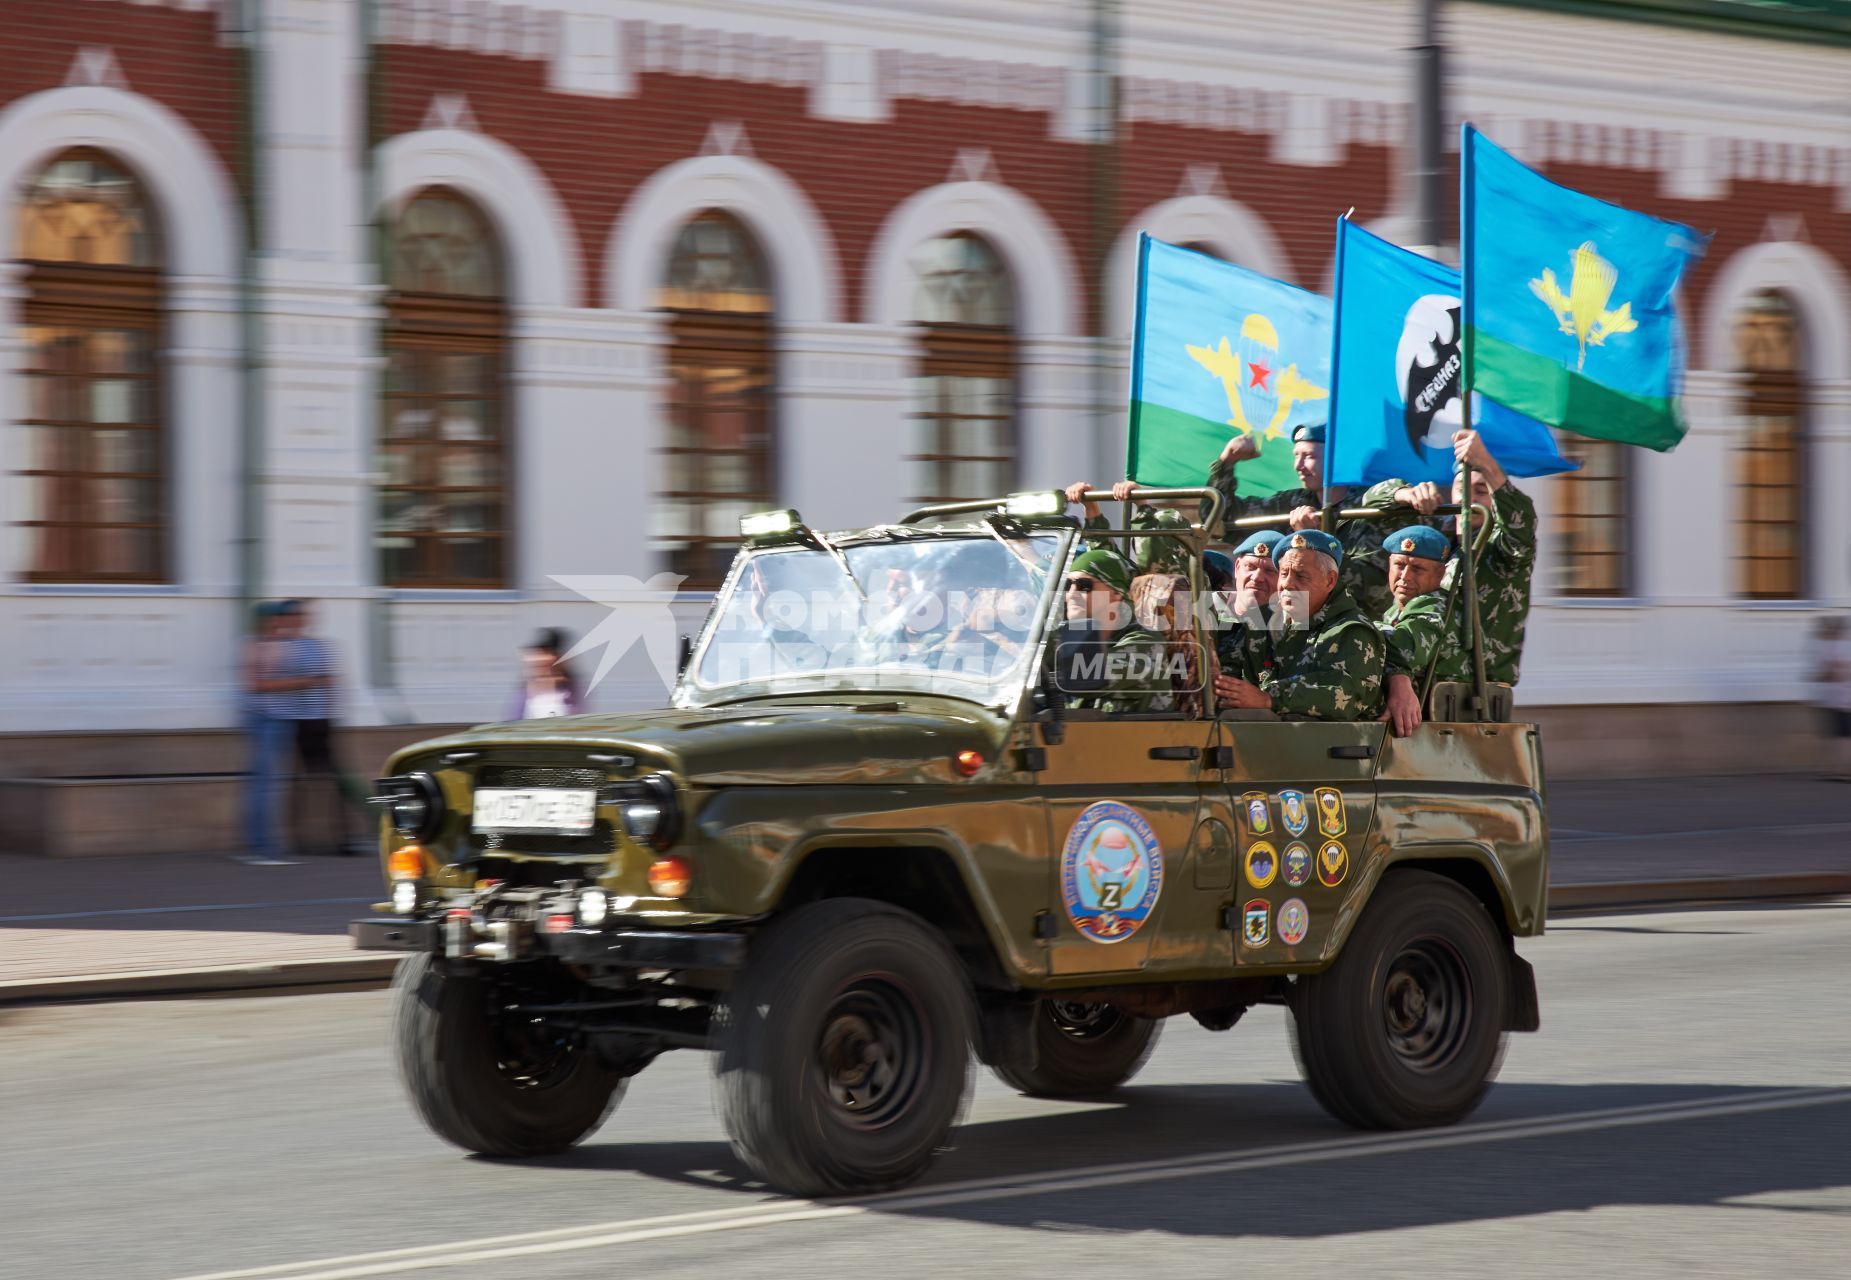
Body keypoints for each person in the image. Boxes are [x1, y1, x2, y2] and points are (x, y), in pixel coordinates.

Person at [1362, 429, 1538, 687]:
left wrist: (1487, 463)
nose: (1468, 498)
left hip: (1473, 687)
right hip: (1420, 673)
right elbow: (1370, 499)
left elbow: (1521, 520)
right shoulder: (1436, 536)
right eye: (1461, 488)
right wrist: (1407, 495)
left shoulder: (1502, 548)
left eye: (1481, 491)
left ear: (1495, 500)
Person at [1204, 423, 1404, 619]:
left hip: (1355, 627)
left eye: (1308, 456)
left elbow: (1368, 589)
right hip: (1294, 625)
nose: (1298, 465)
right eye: (1296, 456)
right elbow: (1219, 520)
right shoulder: (1293, 502)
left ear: (1336, 459)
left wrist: (1313, 544)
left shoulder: (1368, 509)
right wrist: (1226, 463)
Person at [1214, 529, 1385, 720]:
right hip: (1270, 738)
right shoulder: (1262, 621)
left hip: (1334, 744)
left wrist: (1269, 698)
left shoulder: (1351, 630)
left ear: (1330, 581)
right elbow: (1229, 669)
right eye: (1284, 573)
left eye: (1300, 576)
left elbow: (1343, 693)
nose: (1287, 584)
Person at [272, 601, 372, 856]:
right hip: (291, 722)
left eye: (302, 616)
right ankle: (297, 839)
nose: (298, 620)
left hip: (320, 721)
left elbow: (331, 681)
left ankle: (343, 837)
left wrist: (331, 709)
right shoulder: (277, 647)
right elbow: (280, 682)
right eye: (293, 616)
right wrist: (309, 681)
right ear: (284, 619)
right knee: (296, 783)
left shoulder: (318, 646)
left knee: (334, 780)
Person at [1053, 548, 1166, 715]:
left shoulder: (1146, 641)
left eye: (1085, 586)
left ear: (1116, 594)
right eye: (1068, 585)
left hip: (1137, 739)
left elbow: (1087, 677)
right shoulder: (1067, 636)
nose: (1071, 594)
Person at [1375, 525, 1458, 737]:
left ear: (1440, 574)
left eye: (1417, 569)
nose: (1405, 576)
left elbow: (1405, 650)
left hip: (1435, 725)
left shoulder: (1435, 605)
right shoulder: (1395, 610)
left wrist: (1356, 628)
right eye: (1399, 565)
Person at [237, 601, 297, 866]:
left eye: (278, 619)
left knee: (270, 783)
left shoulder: (282, 644)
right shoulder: (255, 646)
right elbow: (256, 685)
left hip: (282, 719)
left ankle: (265, 843)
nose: (277, 623)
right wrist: (301, 682)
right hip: (264, 720)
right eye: (273, 619)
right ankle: (263, 845)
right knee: (264, 784)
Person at [1806, 616, 1851, 782]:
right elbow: (1837, 673)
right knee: (1844, 736)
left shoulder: (1826, 646)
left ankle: (1829, 769)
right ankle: (1841, 771)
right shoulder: (1839, 647)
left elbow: (1827, 673)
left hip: (1831, 698)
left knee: (1833, 736)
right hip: (1842, 699)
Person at [511, 627, 584, 719]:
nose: (543, 658)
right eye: (541, 653)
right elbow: (515, 718)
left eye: (548, 653)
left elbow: (577, 716)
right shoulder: (527, 686)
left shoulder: (571, 688)